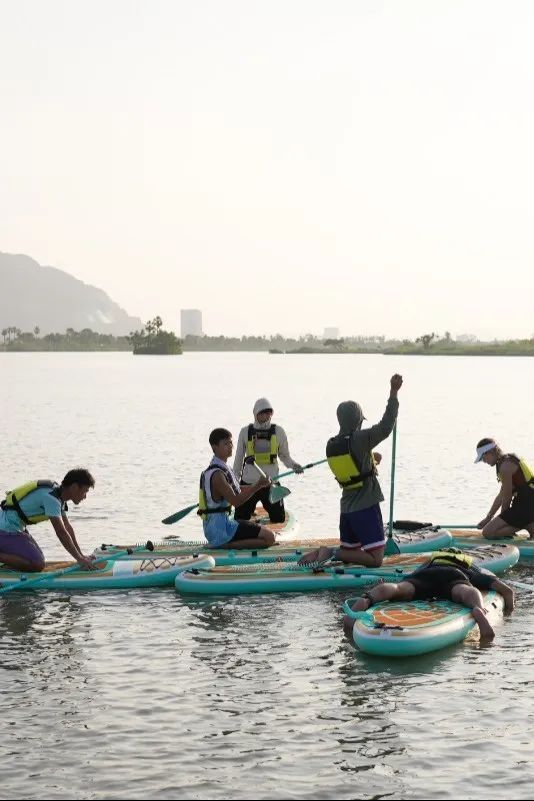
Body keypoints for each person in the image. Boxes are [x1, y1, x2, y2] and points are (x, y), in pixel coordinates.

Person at [299, 374, 402, 568]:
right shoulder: (360, 439)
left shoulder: (332, 445)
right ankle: (331, 552)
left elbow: (352, 471)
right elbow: (387, 426)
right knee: (375, 560)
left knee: (352, 554)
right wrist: (394, 393)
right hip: (366, 507)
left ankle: (334, 554)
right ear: (358, 421)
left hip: (347, 510)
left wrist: (371, 461)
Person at [343, 550, 514, 641]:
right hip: (453, 578)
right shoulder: (467, 568)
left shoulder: (427, 565)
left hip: (425, 578)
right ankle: (478, 610)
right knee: (464, 591)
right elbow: (507, 591)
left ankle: (368, 598)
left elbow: (408, 579)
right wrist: (508, 612)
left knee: (400, 588)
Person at [0, 469, 97, 572]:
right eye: (85, 491)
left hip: (12, 527)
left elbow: (67, 527)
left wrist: (81, 556)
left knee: (36, 559)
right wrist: (79, 559)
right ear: (74, 487)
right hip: (5, 528)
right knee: (37, 564)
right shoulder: (51, 499)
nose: (85, 496)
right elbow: (61, 532)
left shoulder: (58, 495)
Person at [200, 428, 277, 549]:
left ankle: (225, 543)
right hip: (220, 529)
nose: (230, 446)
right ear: (214, 448)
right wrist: (257, 486)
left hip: (222, 525)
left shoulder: (222, 468)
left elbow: (237, 488)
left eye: (231, 442)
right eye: (226, 444)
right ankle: (226, 545)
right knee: (270, 538)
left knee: (263, 530)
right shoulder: (217, 475)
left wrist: (260, 485)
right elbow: (236, 501)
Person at [232, 398, 303, 523]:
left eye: (268, 413)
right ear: (255, 414)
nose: (266, 416)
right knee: (240, 519)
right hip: (249, 484)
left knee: (279, 519)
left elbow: (284, 456)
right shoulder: (245, 432)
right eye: (262, 413)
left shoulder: (279, 431)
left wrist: (294, 465)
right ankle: (249, 519)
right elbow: (238, 460)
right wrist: (234, 482)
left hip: (271, 484)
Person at [475, 438, 534, 539]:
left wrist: (503, 520)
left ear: (490, 452)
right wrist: (488, 518)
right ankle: (530, 525)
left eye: (483, 457)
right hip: (525, 503)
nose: (483, 461)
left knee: (488, 533)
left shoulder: (505, 467)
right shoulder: (507, 460)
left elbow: (507, 497)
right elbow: (501, 494)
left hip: (527, 504)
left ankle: (525, 524)